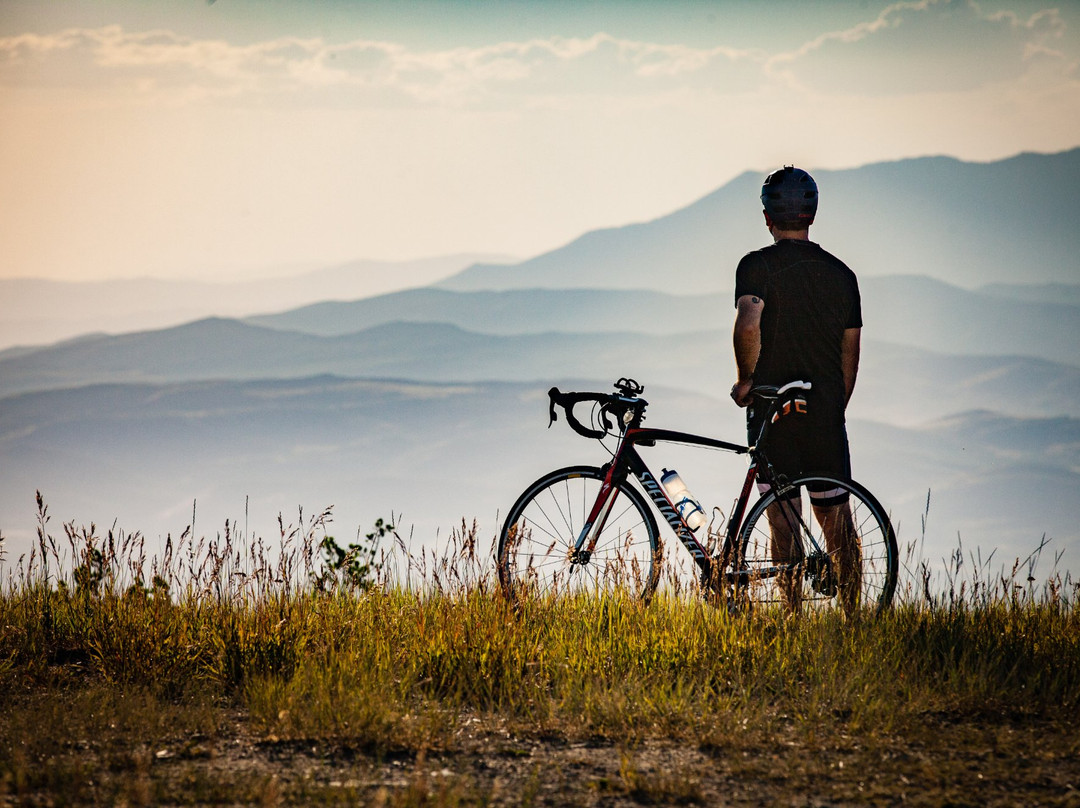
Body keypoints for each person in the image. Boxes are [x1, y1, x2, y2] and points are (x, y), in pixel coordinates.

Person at [729, 165, 862, 613]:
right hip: (823, 406)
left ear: (767, 217)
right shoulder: (842, 275)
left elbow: (749, 325)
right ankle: (855, 617)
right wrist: (834, 404)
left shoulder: (755, 266)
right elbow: (850, 353)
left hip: (771, 408)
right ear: (813, 214)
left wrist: (747, 380)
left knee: (782, 519)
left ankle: (791, 616)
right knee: (836, 518)